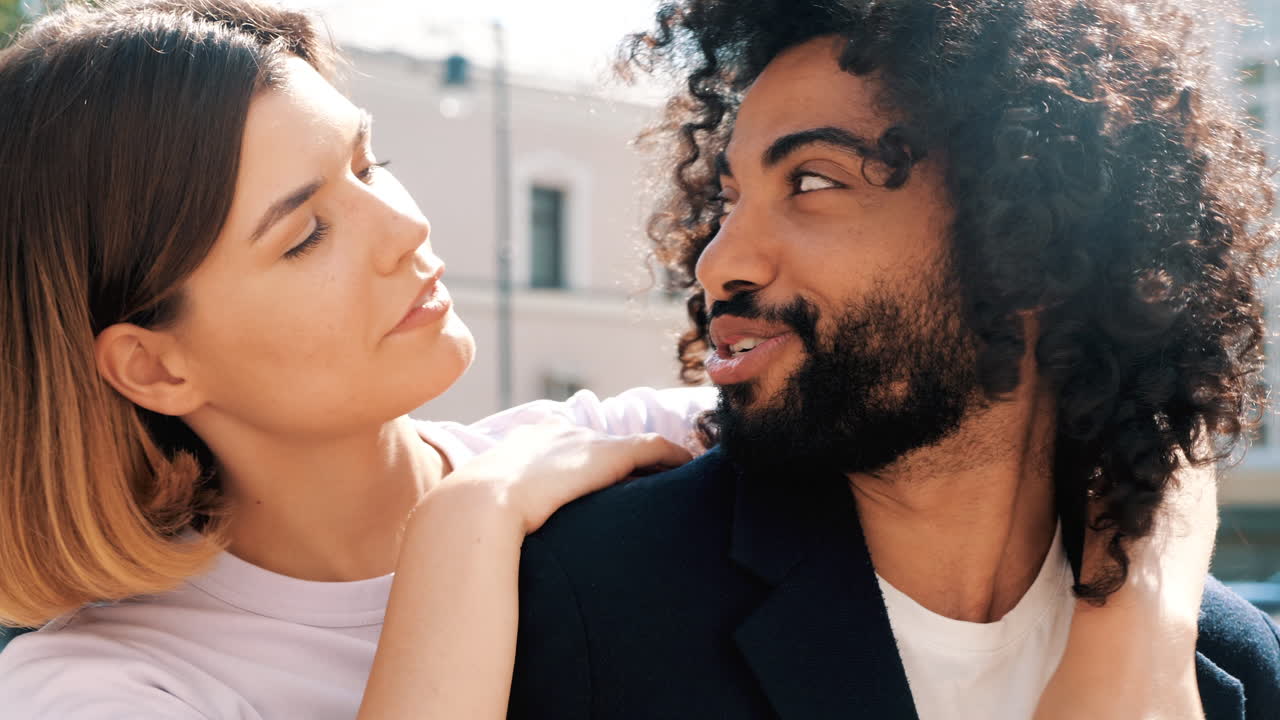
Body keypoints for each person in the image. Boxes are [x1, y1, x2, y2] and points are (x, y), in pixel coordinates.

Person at [0, 1, 1237, 719]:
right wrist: (464, 536)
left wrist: (1134, 619)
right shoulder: (95, 690)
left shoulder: (608, 458)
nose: (406, 228)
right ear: (153, 368)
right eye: (308, 231)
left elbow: (1037, 408)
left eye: (368, 163)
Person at [502, 1, 1280, 719]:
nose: (716, 263)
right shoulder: (589, 602)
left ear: (1026, 234)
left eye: (810, 179)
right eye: (730, 196)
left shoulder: (1227, 659)